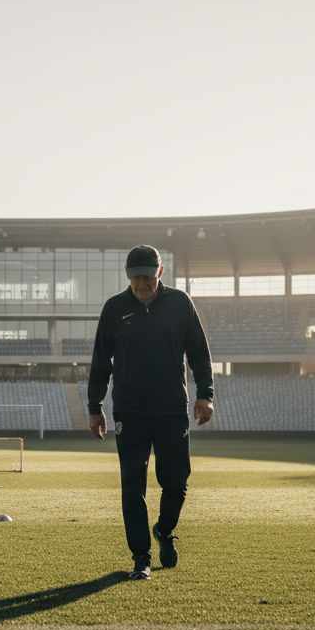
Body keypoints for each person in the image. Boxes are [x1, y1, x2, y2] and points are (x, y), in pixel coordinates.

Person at [88, 245, 214, 580]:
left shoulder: (180, 304)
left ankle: (164, 529)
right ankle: (140, 557)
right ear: (128, 276)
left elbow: (200, 354)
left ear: (159, 272)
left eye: (148, 275)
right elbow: (101, 362)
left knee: (176, 483)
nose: (142, 283)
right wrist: (95, 407)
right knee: (133, 486)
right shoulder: (114, 309)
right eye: (135, 277)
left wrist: (206, 394)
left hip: (172, 409)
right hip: (129, 412)